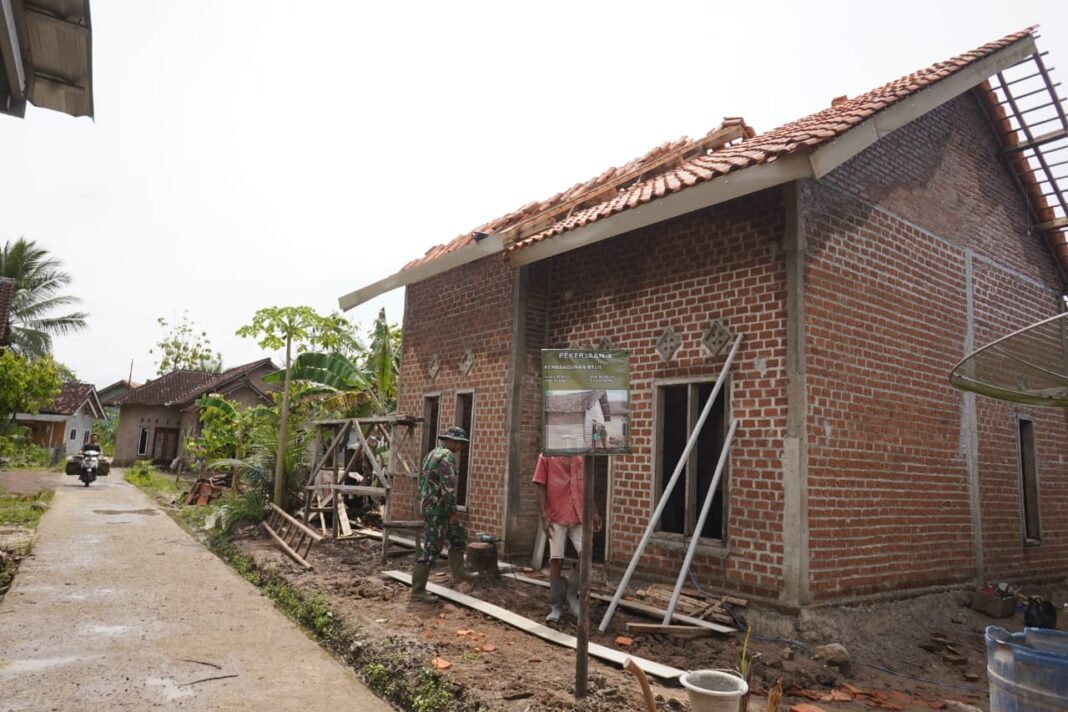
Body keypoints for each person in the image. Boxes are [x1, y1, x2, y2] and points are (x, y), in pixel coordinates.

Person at [410, 426, 476, 603]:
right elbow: (448, 488)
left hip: (430, 506)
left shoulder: (432, 454)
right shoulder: (446, 457)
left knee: (457, 538)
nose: (461, 448)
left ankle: (459, 575)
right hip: (438, 510)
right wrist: (452, 511)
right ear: (452, 441)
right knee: (431, 549)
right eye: (460, 444)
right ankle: (417, 591)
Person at [533, 453, 601, 622]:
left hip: (579, 513)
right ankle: (556, 605)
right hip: (556, 514)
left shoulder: (581, 456)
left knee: (585, 555)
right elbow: (540, 485)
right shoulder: (547, 455)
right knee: (556, 558)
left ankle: (571, 594)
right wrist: (543, 515)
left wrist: (593, 511)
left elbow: (587, 485)